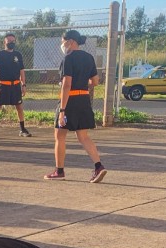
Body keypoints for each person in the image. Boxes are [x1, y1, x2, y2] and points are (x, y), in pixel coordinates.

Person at [45, 29, 106, 183]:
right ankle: (98, 166)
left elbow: (67, 85)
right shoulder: (88, 57)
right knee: (83, 136)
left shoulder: (68, 58)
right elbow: (96, 81)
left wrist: (62, 110)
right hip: (84, 99)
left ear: (71, 41)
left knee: (60, 135)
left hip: (70, 100)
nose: (62, 44)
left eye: (63, 41)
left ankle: (59, 171)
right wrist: (84, 84)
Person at [0, 34, 31, 139]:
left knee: (19, 107)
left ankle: (22, 129)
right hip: (3, 86)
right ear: (4, 42)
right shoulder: (0, 55)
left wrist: (23, 84)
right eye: (9, 40)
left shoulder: (18, 55)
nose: (11, 42)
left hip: (15, 86)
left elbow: (22, 71)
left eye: (13, 40)